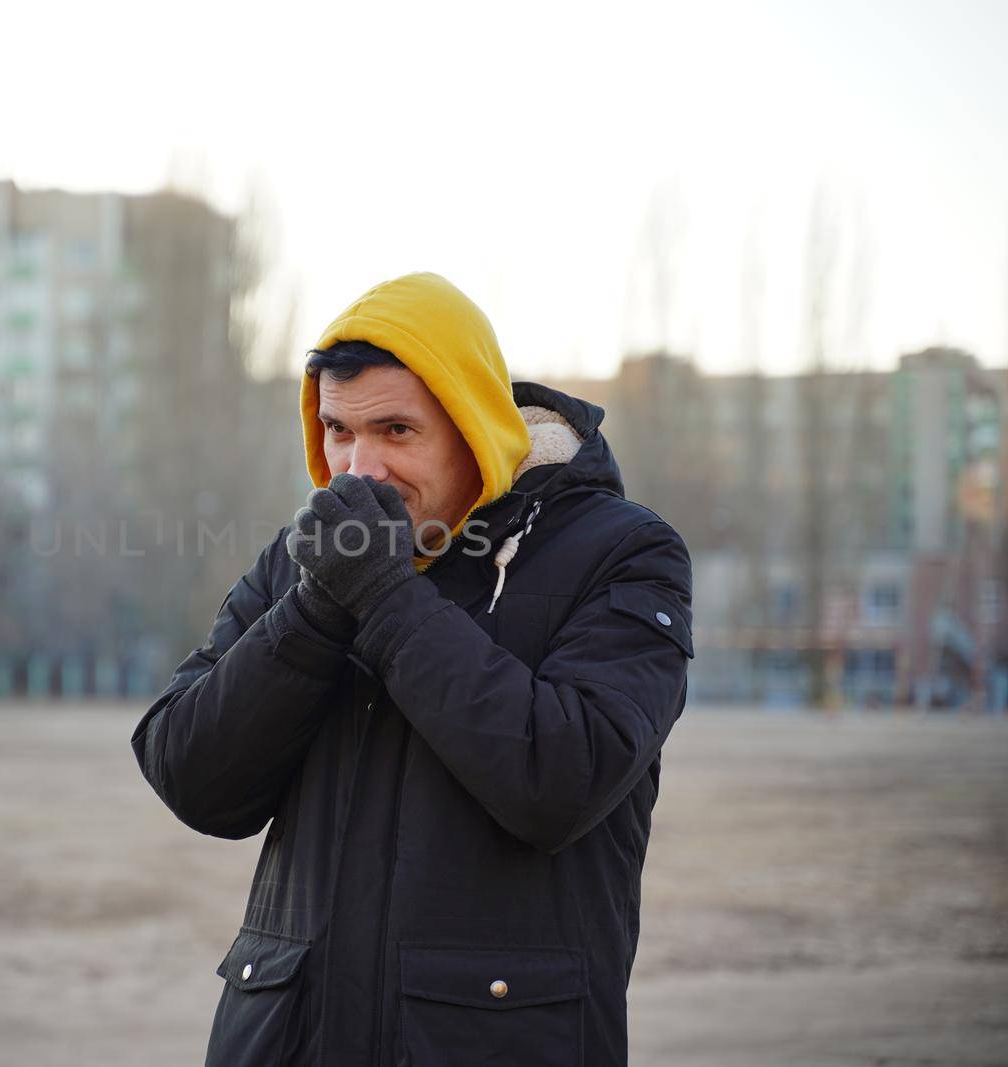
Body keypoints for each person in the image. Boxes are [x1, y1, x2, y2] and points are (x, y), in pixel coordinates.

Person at [131, 272, 694, 1066]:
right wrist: (318, 607)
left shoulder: (623, 552)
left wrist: (386, 598)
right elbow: (190, 774)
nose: (360, 470)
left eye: (397, 431)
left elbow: (564, 776)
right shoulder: (303, 563)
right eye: (337, 431)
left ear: (476, 428)